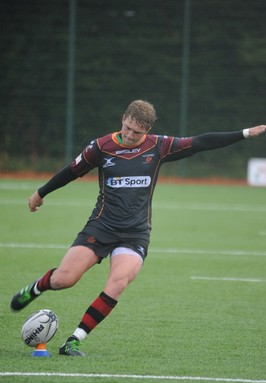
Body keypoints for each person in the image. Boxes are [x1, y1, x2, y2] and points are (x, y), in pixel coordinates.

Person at [10, 100, 266, 356]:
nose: (131, 135)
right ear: (123, 118)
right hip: (101, 227)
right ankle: (37, 287)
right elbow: (71, 171)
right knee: (63, 280)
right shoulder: (100, 147)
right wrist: (41, 193)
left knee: (118, 283)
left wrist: (244, 133)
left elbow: (200, 142)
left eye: (138, 132)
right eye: (128, 128)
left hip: (135, 233)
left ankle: (74, 340)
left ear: (148, 130)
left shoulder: (159, 146)